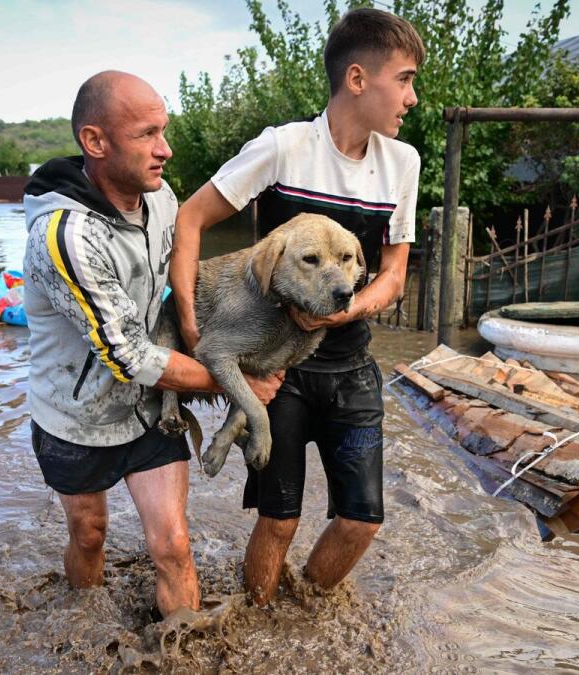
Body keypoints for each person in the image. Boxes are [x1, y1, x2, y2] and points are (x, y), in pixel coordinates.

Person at [170, 8, 425, 605]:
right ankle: (258, 622)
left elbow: (393, 275)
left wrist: (346, 310)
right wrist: (189, 329)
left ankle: (304, 611)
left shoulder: (403, 163)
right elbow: (190, 218)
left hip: (351, 366)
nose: (412, 97)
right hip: (275, 369)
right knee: (278, 521)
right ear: (358, 79)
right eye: (406, 78)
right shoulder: (283, 148)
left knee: (361, 520)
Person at [22, 71, 284, 617]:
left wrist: (256, 326)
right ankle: (85, 627)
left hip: (148, 410)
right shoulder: (66, 237)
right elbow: (128, 357)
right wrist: (237, 383)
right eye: (147, 134)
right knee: (90, 535)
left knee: (173, 546)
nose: (165, 149)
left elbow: (192, 275)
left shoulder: (160, 196)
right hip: (76, 418)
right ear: (95, 142)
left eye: (164, 130)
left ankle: (182, 651)